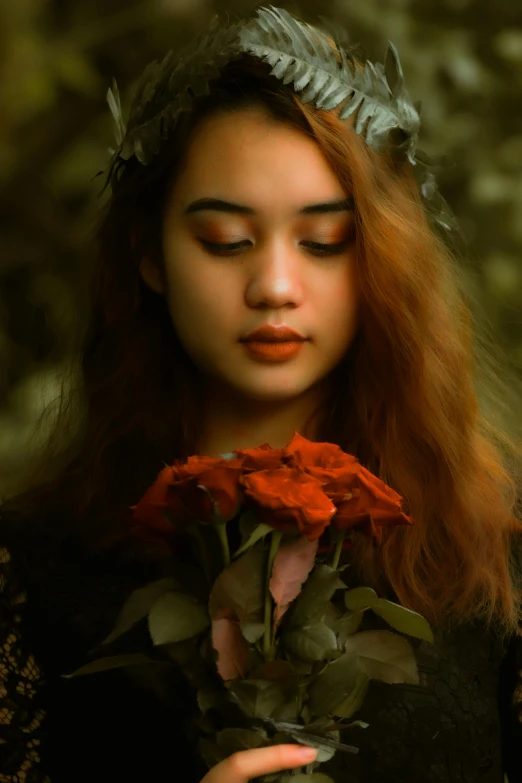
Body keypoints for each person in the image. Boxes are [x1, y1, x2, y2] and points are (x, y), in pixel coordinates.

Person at [1, 5, 521, 782]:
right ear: (149, 254)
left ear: (381, 260)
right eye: (225, 242)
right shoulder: (28, 572)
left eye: (323, 243)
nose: (275, 285)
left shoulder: (494, 562)